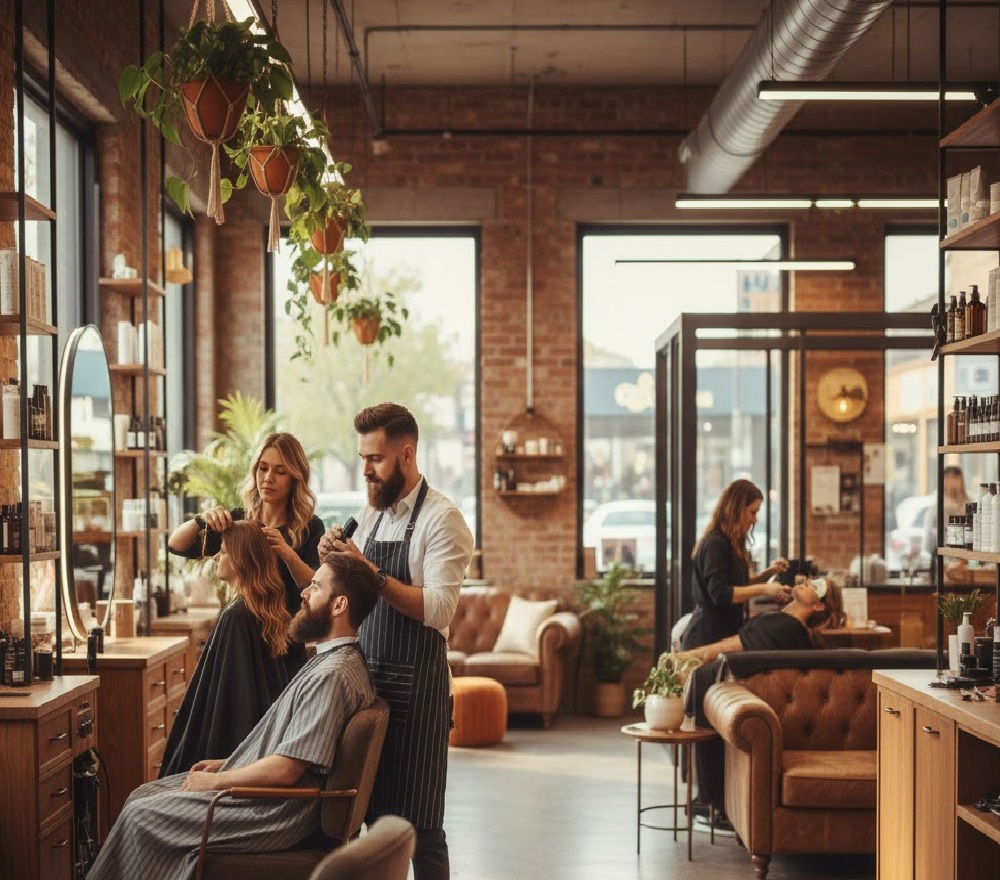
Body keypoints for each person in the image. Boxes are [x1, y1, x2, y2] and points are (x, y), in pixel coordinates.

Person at [86, 553, 380, 880]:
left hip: (275, 812)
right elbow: (295, 753)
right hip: (274, 801)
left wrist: (217, 781)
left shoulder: (332, 675)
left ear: (339, 605)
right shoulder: (336, 660)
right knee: (141, 796)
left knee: (140, 815)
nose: (304, 592)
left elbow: (287, 769)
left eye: (316, 586)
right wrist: (227, 763)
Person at [319, 402, 474, 880]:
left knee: (421, 828)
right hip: (368, 682)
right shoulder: (371, 514)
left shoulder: (442, 519)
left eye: (376, 459)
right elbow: (350, 592)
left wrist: (371, 572)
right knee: (371, 818)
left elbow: (439, 609)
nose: (366, 469)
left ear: (406, 454)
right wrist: (334, 560)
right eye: (363, 458)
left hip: (418, 690)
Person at [680, 576, 844, 831]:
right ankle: (711, 802)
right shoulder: (783, 622)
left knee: (705, 687)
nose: (808, 582)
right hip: (749, 694)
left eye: (815, 587)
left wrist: (681, 658)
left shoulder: (786, 626)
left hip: (751, 697)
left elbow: (726, 648)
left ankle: (715, 805)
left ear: (819, 606)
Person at [159, 521, 302, 778]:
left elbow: (231, 702)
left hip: (229, 759)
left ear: (240, 559)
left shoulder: (237, 617)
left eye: (223, 551)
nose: (216, 556)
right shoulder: (258, 612)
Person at [169, 431, 325, 617]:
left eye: (280, 471)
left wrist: (287, 554)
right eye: (263, 468)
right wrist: (201, 520)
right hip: (239, 624)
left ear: (295, 478)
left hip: (287, 631)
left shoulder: (309, 527)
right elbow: (176, 545)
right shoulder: (238, 521)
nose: (268, 478)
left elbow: (317, 587)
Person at [681, 479, 791, 651]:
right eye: (753, 512)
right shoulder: (715, 543)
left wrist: (769, 572)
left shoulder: (730, 542)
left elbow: (739, 585)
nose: (755, 520)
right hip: (707, 637)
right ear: (736, 510)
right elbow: (720, 594)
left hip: (723, 633)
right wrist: (765, 589)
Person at [923, 465, 970, 563]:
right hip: (943, 559)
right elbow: (928, 542)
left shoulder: (969, 505)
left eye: (955, 478)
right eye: (948, 478)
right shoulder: (936, 508)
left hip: (966, 559)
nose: (951, 483)